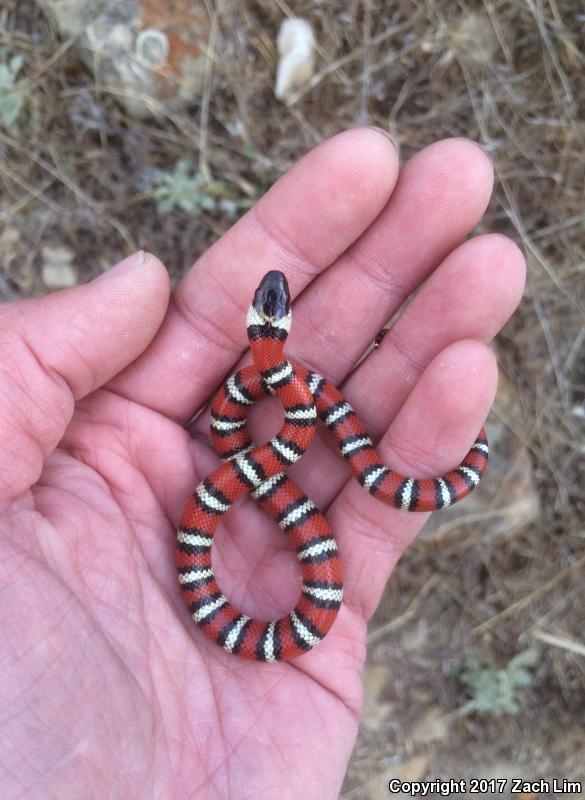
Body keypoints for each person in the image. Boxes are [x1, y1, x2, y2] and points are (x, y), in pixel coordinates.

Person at [0, 128, 524, 799]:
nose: (273, 299)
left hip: (270, 417)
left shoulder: (272, 388)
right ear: (266, 327)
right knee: (305, 442)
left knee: (296, 439)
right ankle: (413, 456)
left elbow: (272, 436)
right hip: (270, 434)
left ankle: (397, 452)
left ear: (262, 329)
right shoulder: (277, 395)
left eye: (268, 311)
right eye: (270, 310)